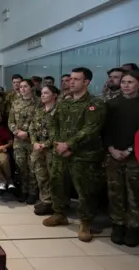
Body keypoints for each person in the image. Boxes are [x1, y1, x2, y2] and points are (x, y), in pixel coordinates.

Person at [43, 67, 106, 243]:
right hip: (61, 152)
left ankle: (85, 223)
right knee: (57, 183)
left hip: (84, 155)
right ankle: (59, 213)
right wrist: (58, 144)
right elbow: (53, 124)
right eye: (70, 79)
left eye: (76, 79)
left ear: (86, 82)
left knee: (85, 190)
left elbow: (92, 128)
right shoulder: (64, 103)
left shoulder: (95, 103)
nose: (71, 82)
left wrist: (69, 144)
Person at [104, 70, 139, 247]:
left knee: (134, 193)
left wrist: (129, 151)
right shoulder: (112, 104)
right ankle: (118, 224)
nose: (126, 85)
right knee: (115, 192)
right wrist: (111, 149)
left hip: (135, 156)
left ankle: (133, 227)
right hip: (113, 154)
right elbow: (104, 130)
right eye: (124, 82)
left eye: (130, 82)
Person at [29, 85, 60, 216]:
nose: (42, 95)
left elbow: (59, 132)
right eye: (41, 93)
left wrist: (45, 145)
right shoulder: (39, 111)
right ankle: (45, 200)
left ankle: (57, 204)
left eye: (46, 93)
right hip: (38, 149)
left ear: (54, 95)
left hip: (53, 150)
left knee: (54, 177)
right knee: (41, 176)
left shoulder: (59, 111)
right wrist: (35, 142)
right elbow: (32, 129)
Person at [8, 79, 37, 204]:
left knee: (33, 167)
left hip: (32, 140)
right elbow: (10, 121)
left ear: (31, 88)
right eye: (20, 87)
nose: (23, 89)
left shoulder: (38, 102)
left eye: (25, 86)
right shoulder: (15, 102)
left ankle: (33, 192)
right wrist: (16, 132)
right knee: (21, 166)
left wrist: (28, 133)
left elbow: (40, 121)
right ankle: (23, 191)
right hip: (18, 140)